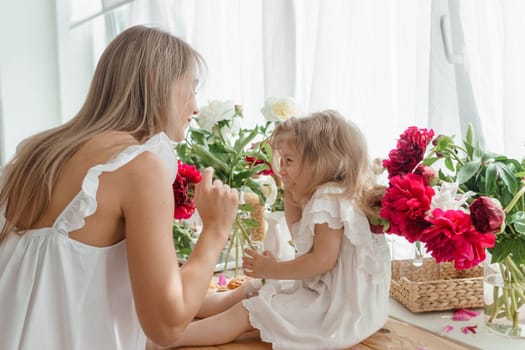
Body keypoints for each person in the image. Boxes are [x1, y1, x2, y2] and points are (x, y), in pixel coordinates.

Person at [0, 25, 245, 350]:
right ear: (158, 80)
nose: (196, 107)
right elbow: (165, 325)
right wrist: (215, 230)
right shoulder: (138, 166)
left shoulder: (37, 153)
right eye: (192, 88)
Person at [170, 110, 392, 349]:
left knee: (246, 312)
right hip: (330, 292)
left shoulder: (329, 199)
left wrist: (273, 268)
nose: (281, 169)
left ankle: (160, 340)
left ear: (319, 163)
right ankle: (176, 310)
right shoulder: (329, 194)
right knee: (251, 290)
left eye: (289, 161)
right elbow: (300, 237)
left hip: (337, 310)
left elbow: (321, 260)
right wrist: (292, 193)